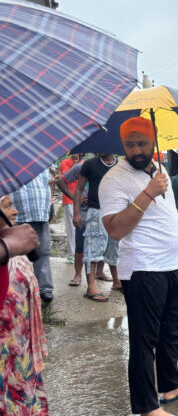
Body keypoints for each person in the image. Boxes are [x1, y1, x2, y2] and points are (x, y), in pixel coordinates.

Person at [100, 117, 178, 416]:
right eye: (130, 144)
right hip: (142, 269)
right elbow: (115, 229)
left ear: (154, 141)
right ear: (123, 145)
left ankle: (171, 385)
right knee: (144, 341)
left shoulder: (160, 169)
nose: (136, 149)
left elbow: (167, 218)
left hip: (170, 265)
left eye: (142, 143)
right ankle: (146, 407)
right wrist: (148, 193)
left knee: (172, 332)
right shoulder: (114, 179)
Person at [0, 194, 48, 415]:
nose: (15, 211)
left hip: (19, 351)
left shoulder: (13, 250)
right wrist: (7, 247)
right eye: (7, 206)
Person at [73, 152, 121, 301]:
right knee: (92, 248)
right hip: (95, 211)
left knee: (115, 247)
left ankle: (117, 281)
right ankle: (91, 287)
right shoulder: (90, 164)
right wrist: (76, 213)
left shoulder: (121, 165)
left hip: (116, 211)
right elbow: (79, 189)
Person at [11, 170, 53, 303]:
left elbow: (48, 187)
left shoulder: (42, 168)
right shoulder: (10, 168)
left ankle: (44, 288)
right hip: (18, 216)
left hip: (40, 215)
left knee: (43, 252)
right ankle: (17, 288)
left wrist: (50, 209)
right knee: (17, 256)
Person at [57, 159, 88, 287]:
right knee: (79, 242)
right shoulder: (81, 166)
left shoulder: (110, 166)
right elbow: (60, 181)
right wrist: (75, 198)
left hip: (101, 210)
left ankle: (99, 272)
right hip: (82, 208)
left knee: (100, 245)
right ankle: (78, 274)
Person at [59, 154, 81, 262]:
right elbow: (65, 178)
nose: (80, 155)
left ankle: (80, 252)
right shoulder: (65, 163)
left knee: (80, 227)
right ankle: (72, 254)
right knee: (71, 228)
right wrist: (76, 165)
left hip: (80, 200)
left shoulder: (84, 164)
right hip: (69, 199)